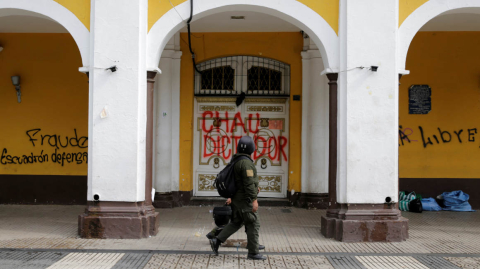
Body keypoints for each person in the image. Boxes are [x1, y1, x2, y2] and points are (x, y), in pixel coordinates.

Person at [209, 136, 266, 260]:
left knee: (237, 222)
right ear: (251, 148)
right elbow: (249, 183)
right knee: (253, 222)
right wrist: (254, 200)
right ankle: (253, 252)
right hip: (245, 200)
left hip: (237, 199)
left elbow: (241, 181)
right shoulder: (246, 163)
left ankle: (217, 240)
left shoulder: (237, 160)